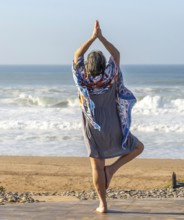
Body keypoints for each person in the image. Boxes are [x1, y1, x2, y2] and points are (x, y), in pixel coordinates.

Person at [72, 20, 144, 213]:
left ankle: (103, 204)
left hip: (92, 128)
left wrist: (91, 37)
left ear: (87, 66)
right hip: (113, 125)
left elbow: (77, 54)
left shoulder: (82, 79)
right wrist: (101, 37)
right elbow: (117, 54)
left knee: (96, 168)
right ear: (104, 65)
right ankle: (113, 169)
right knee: (138, 147)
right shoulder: (110, 75)